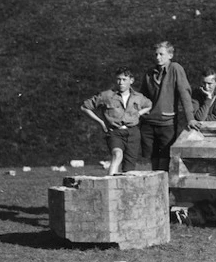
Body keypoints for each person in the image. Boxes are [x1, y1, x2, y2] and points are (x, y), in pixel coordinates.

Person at [140, 41, 200, 171]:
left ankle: (165, 190)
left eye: (161, 54)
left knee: (166, 160)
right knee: (153, 160)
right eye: (156, 54)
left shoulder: (175, 68)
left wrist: (190, 118)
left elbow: (185, 94)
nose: (158, 57)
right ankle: (156, 189)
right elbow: (142, 98)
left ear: (170, 55)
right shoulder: (149, 73)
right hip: (149, 123)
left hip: (167, 123)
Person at [81, 67, 152, 176]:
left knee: (129, 168)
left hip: (133, 133)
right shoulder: (106, 95)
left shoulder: (138, 97)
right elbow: (85, 107)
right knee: (117, 155)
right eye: (118, 79)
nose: (121, 82)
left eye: (124, 79)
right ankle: (109, 186)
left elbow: (149, 105)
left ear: (131, 81)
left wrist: (139, 113)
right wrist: (101, 122)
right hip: (115, 132)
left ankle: (123, 191)